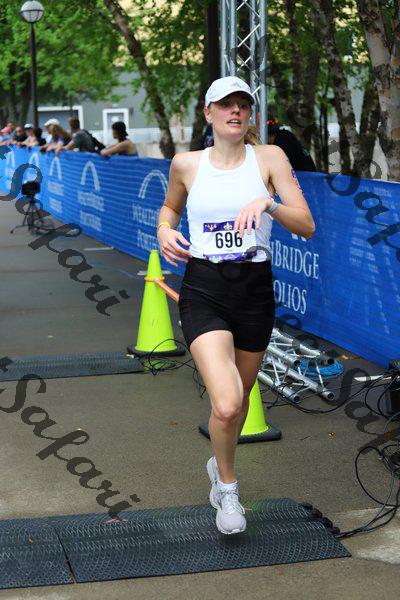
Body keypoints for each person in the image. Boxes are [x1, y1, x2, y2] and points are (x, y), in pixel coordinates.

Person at [157, 75, 315, 536]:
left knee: (240, 400)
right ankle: (228, 488)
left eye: (242, 105)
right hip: (205, 286)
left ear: (250, 113)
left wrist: (268, 204)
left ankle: (219, 463)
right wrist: (165, 230)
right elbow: (170, 209)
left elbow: (306, 224)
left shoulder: (269, 158)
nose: (235, 112)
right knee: (226, 405)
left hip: (254, 289)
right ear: (209, 113)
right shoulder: (187, 164)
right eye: (225, 105)